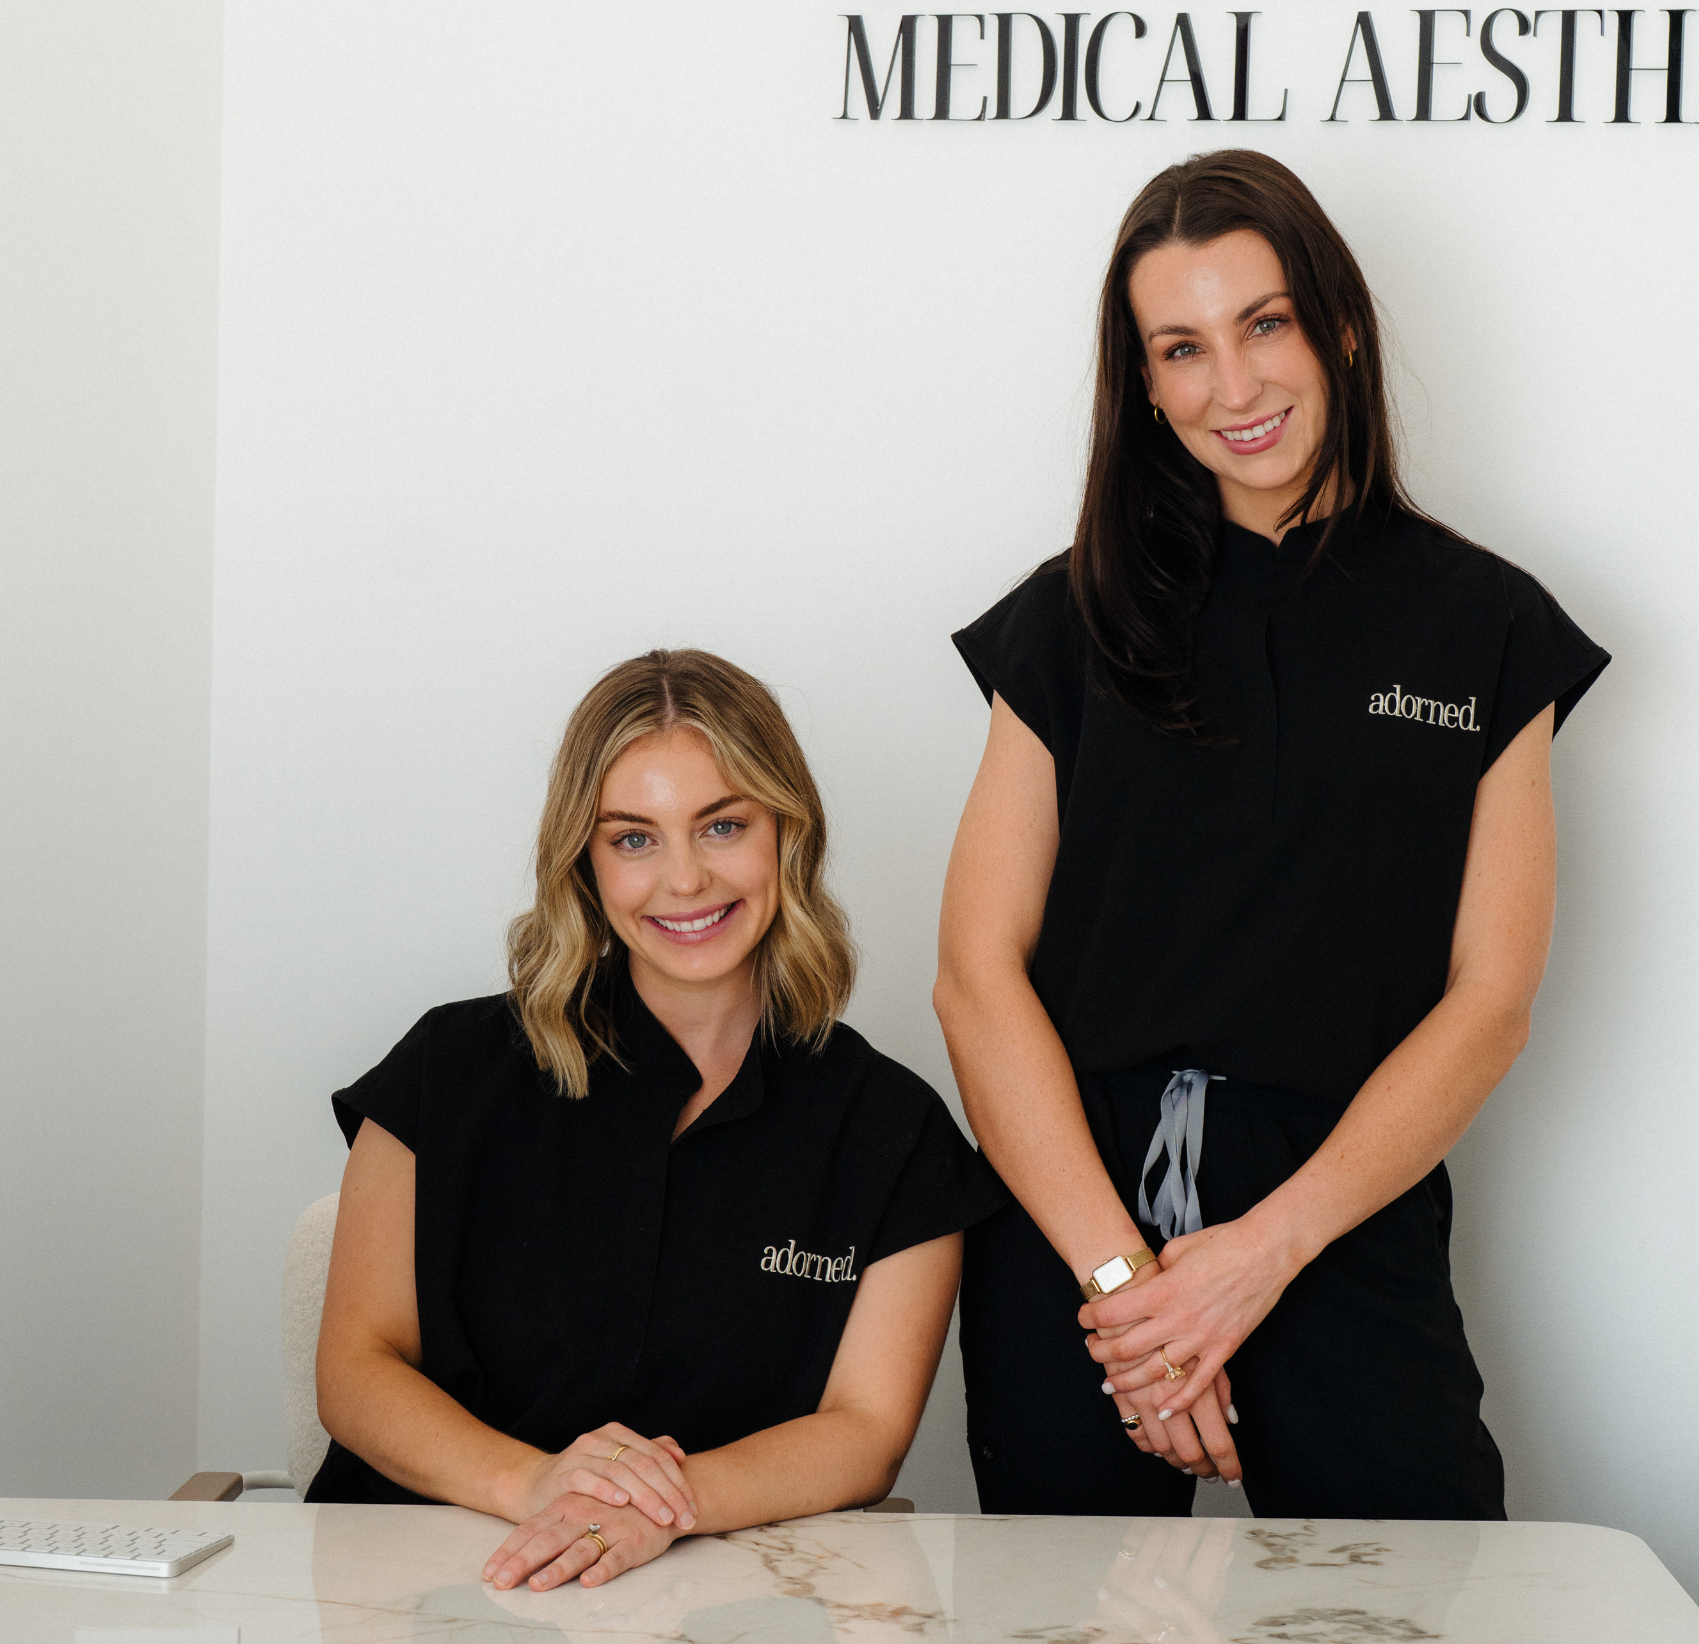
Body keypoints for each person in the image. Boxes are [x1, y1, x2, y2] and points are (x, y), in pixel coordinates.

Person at [935, 150, 1609, 1519]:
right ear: (1144, 380)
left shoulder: (1487, 630)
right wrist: (1132, 1298)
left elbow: (1490, 1003)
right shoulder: (1065, 622)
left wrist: (1257, 1257)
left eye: (1264, 325)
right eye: (1181, 349)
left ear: (1338, 326)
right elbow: (974, 979)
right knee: (1079, 1622)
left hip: (1339, 1207)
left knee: (1410, 1604)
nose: (1232, 389)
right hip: (1073, 1215)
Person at [311, 649, 1004, 1591]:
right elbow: (357, 1370)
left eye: (722, 825)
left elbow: (866, 1434)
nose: (685, 879)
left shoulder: (892, 1131)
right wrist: (541, 1484)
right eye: (633, 838)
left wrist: (656, 1510)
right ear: (585, 862)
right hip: (412, 1583)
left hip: (714, 1596)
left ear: (786, 834)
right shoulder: (447, 1069)